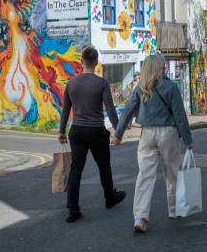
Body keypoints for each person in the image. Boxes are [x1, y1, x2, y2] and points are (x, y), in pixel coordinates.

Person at [112, 53, 193, 233]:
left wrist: (118, 134)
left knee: (144, 175)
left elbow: (127, 112)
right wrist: (187, 140)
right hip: (168, 132)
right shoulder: (171, 86)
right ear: (159, 68)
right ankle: (174, 210)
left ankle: (140, 217)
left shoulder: (141, 87)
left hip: (147, 133)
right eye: (163, 65)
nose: (165, 67)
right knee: (172, 173)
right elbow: (180, 115)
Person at [58, 47, 126, 223]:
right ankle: (110, 198)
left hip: (77, 132)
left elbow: (65, 110)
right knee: (104, 166)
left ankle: (73, 209)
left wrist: (61, 131)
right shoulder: (102, 83)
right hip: (96, 131)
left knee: (76, 169)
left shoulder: (71, 84)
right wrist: (118, 131)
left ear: (82, 62)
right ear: (96, 63)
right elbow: (110, 109)